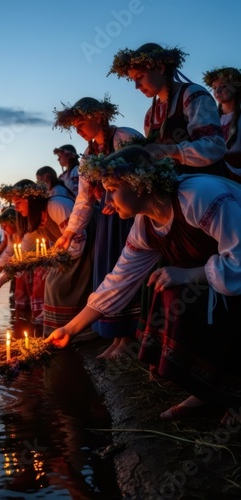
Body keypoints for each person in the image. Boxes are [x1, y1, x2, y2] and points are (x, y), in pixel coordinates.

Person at [46, 145, 241, 424]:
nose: (106, 200)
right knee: (167, 287)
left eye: (112, 189)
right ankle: (208, 392)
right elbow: (119, 281)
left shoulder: (198, 198)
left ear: (139, 185)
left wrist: (191, 274)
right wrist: (69, 329)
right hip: (219, 281)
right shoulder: (145, 225)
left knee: (177, 289)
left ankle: (233, 394)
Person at [53, 96, 143, 359]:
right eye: (75, 126)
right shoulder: (89, 155)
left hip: (129, 215)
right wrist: (71, 231)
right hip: (106, 219)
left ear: (98, 117)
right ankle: (117, 337)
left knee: (126, 269)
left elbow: (145, 172)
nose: (78, 130)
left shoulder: (125, 137)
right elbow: (83, 197)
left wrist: (120, 201)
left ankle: (130, 338)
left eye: (80, 123)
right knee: (107, 272)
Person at [0, 180, 97, 337]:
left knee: (56, 284)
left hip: (89, 246)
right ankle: (57, 333)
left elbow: (78, 243)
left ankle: (76, 330)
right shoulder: (37, 221)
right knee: (52, 282)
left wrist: (52, 260)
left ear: (31, 199)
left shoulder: (56, 206)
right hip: (66, 254)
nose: (16, 208)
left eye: (18, 202)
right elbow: (22, 257)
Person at [108, 43, 230, 177]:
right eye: (133, 80)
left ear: (160, 68)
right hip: (172, 187)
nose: (136, 86)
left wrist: (168, 150)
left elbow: (213, 146)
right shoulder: (150, 114)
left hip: (205, 183)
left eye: (140, 77)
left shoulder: (192, 95)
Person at [0, 207, 42, 316]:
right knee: (22, 307)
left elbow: (17, 258)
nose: (4, 229)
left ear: (14, 222)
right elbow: (6, 256)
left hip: (36, 270)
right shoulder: (12, 235)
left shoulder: (29, 233)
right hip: (21, 270)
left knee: (35, 299)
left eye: (5, 225)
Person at [203, 66, 241, 182]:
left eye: (223, 86)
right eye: (214, 88)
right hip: (215, 172)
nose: (217, 91)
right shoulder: (209, 119)